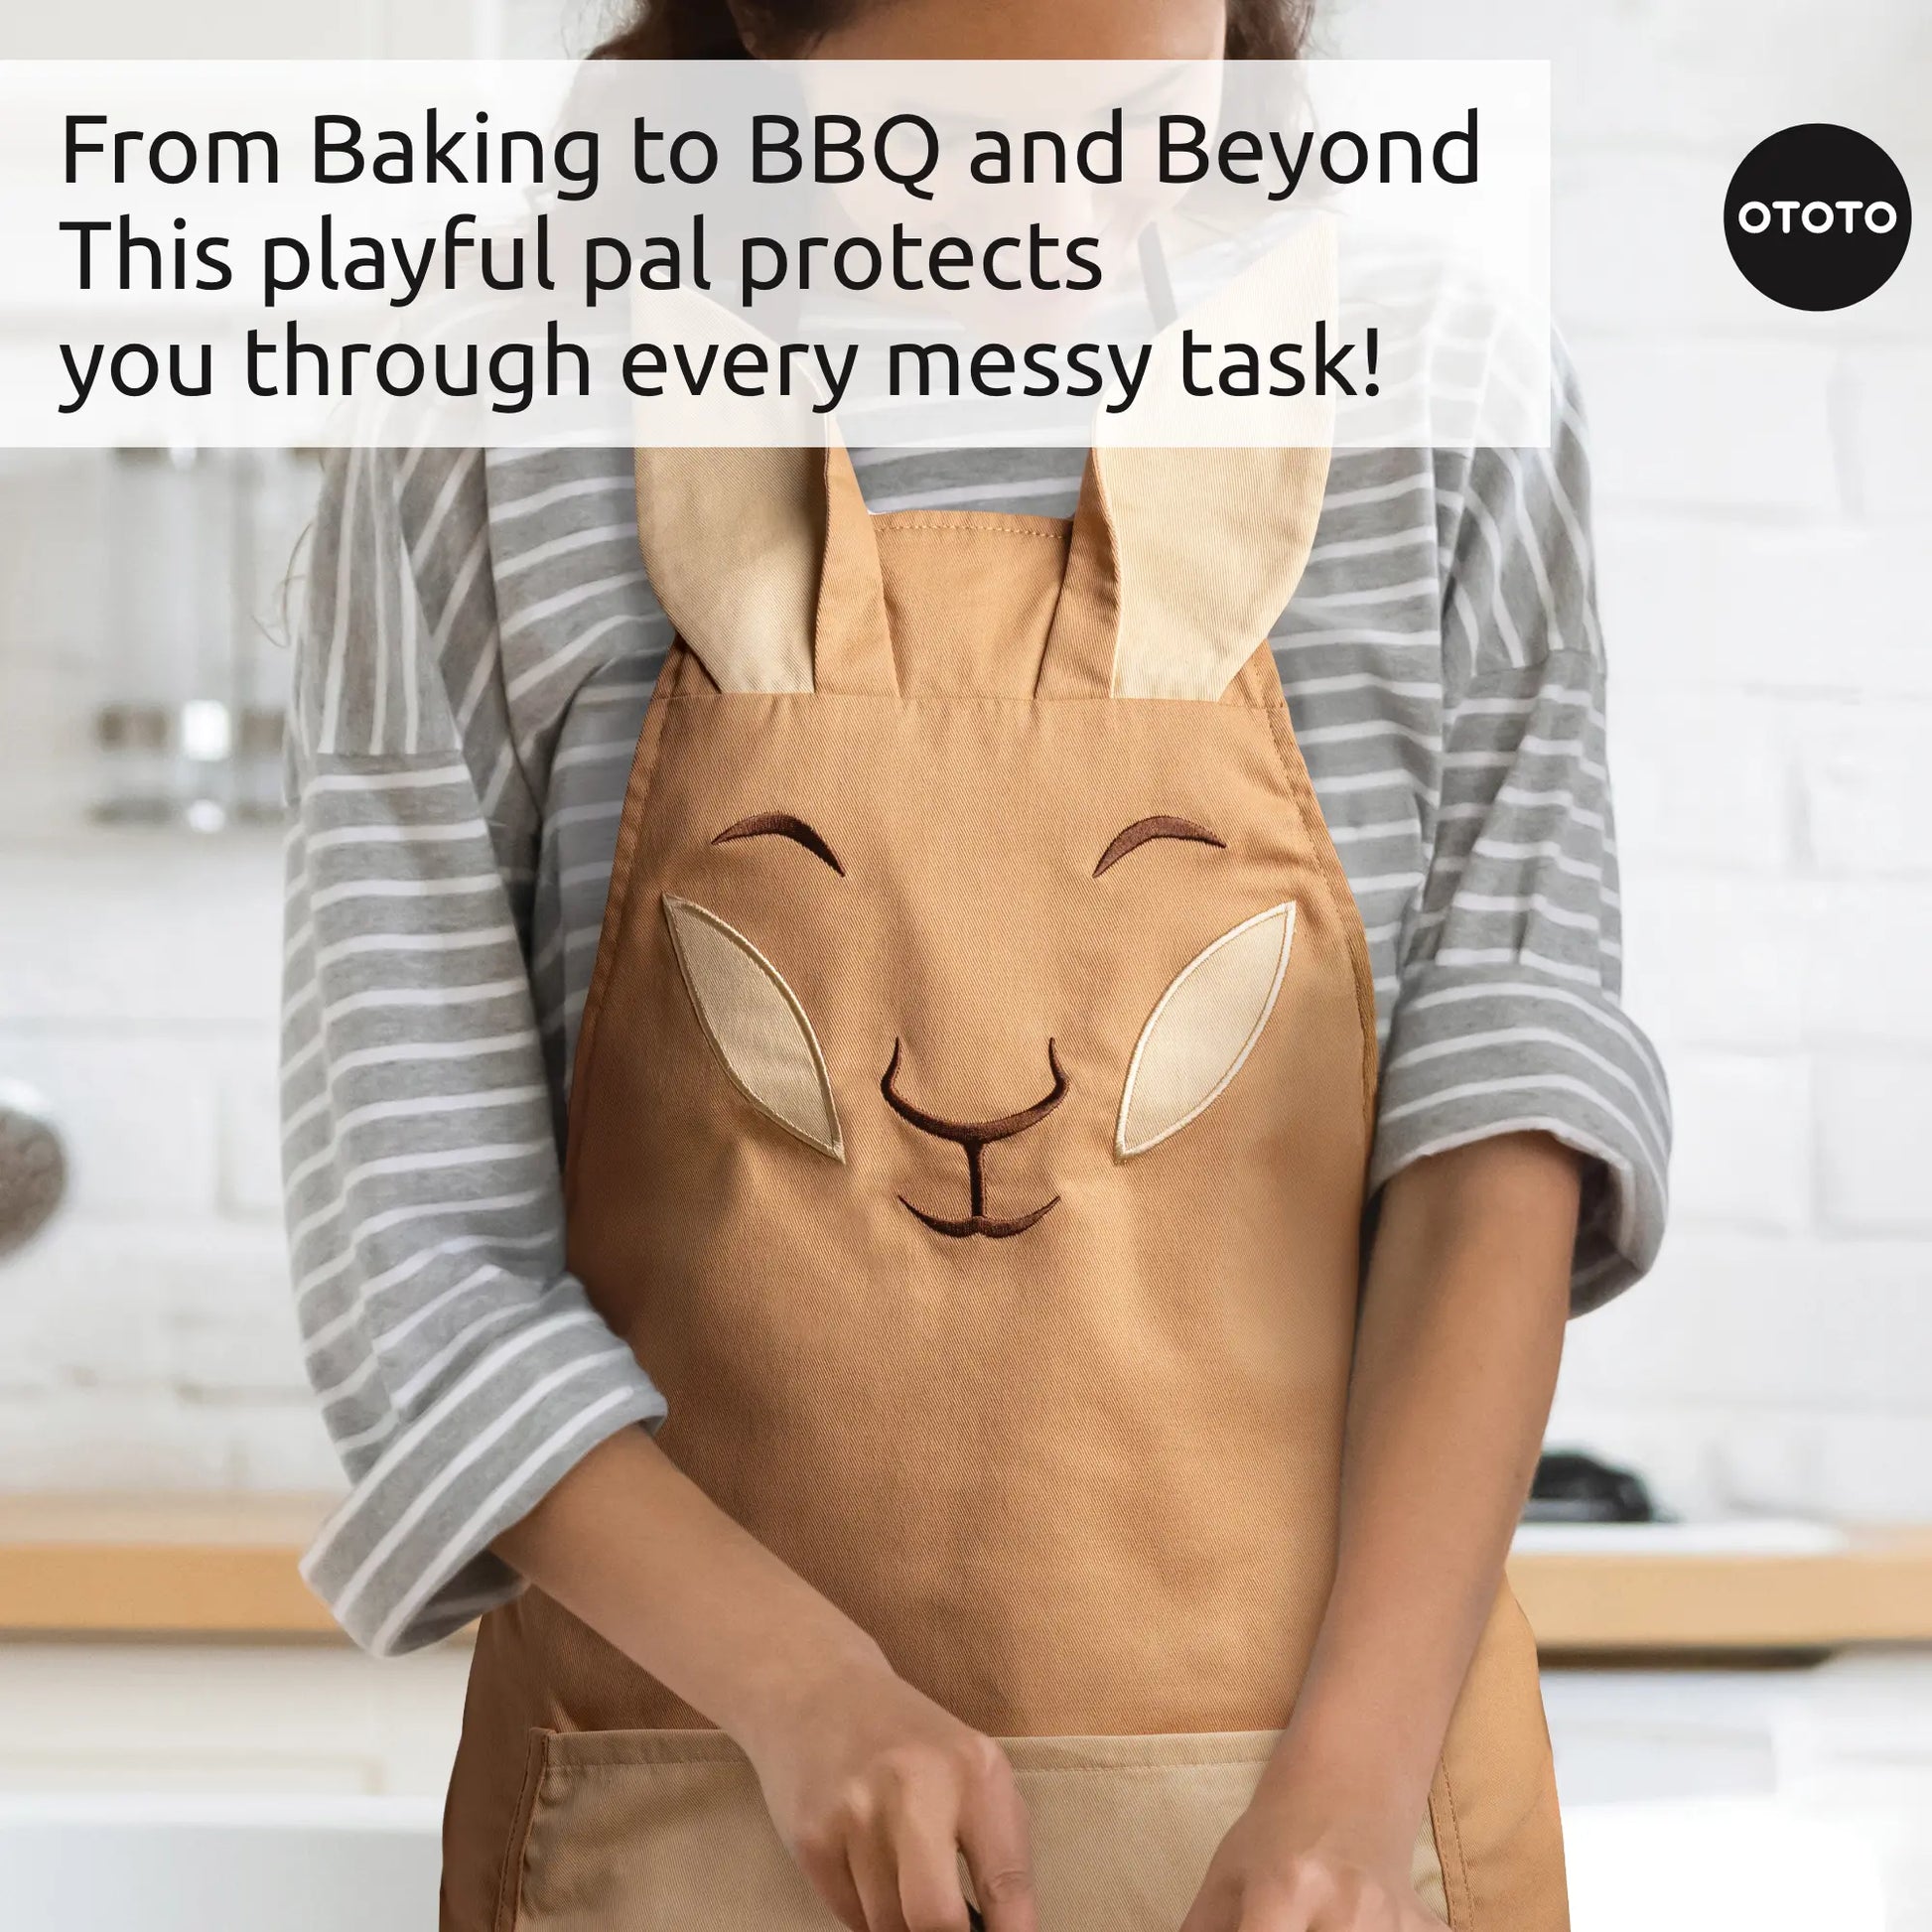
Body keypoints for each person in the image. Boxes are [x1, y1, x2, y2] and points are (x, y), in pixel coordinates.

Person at [280, 3, 1671, 1928]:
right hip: (683, 1818)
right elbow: (410, 1248)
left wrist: (1349, 1786)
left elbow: (1502, 1117)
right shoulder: (498, 407)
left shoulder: (1430, 379)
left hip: (1341, 1835)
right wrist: (801, 1690)